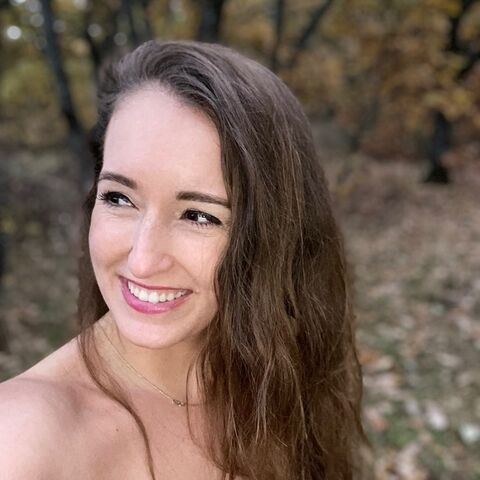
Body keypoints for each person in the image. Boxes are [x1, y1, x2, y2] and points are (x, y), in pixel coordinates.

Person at [0, 40, 365, 479]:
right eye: (119, 197)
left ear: (274, 235)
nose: (142, 260)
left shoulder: (279, 374)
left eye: (198, 215)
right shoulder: (21, 441)